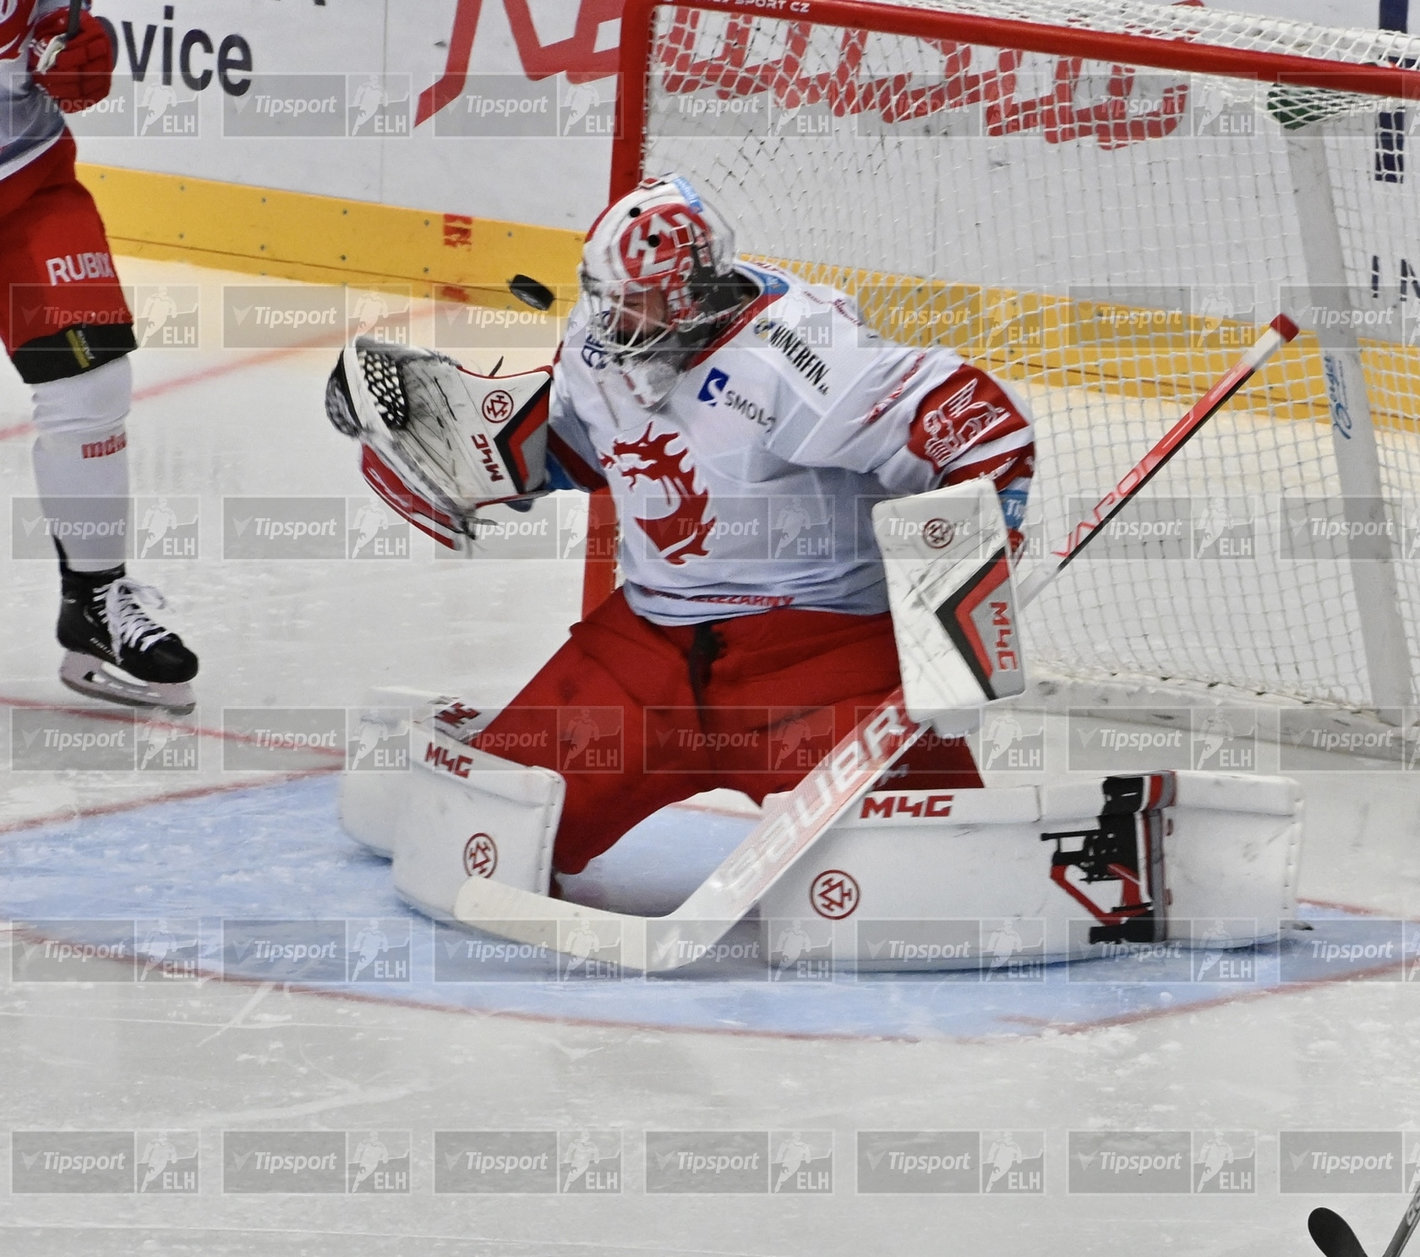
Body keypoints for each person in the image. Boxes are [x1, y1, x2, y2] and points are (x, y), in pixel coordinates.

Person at [330, 173, 1033, 881]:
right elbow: (585, 449)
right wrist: (464, 443)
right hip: (647, 654)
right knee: (474, 845)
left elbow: (988, 434)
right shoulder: (602, 338)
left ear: (688, 293)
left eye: (633, 303)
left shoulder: (803, 356)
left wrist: (968, 566)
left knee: (931, 877)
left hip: (816, 661)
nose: (610, 320)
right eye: (603, 296)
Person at [2, 1, 198, 712]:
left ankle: (94, 602)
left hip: (29, 182)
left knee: (91, 382)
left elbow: (57, 36)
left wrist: (79, 49)